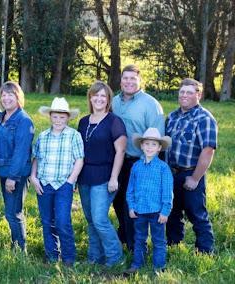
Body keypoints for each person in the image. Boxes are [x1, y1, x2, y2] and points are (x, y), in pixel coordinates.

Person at [112, 64, 165, 251]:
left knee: (134, 204)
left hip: (139, 162)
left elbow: (157, 136)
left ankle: (137, 247)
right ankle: (125, 236)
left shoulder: (151, 104)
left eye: (132, 78)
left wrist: (149, 165)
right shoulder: (114, 101)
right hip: (117, 161)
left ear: (140, 80)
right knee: (117, 201)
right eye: (125, 78)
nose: (128, 82)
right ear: (121, 80)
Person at [77, 81, 126, 266]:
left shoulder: (114, 121)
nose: (99, 99)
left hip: (105, 177)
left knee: (99, 219)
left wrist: (114, 178)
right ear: (90, 97)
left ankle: (115, 257)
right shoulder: (83, 122)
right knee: (90, 220)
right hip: (84, 177)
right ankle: (94, 257)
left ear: (108, 100)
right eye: (95, 95)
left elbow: (120, 151)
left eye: (103, 96)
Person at [30, 97, 84, 266]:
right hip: (44, 184)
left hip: (63, 185)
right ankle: (52, 255)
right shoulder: (43, 136)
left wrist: (70, 182)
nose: (58, 120)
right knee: (46, 221)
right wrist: (33, 177)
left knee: (62, 221)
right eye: (55, 116)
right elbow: (36, 159)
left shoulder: (74, 135)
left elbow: (79, 160)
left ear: (68, 118)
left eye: (62, 117)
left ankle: (68, 258)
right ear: (50, 116)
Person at [165, 78, 217, 254]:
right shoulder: (172, 117)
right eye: (182, 92)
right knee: (172, 213)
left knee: (197, 214)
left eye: (189, 92)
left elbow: (208, 151)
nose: (184, 95)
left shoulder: (204, 118)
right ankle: (173, 244)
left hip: (191, 174)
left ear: (198, 94)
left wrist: (195, 178)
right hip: (171, 173)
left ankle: (205, 251)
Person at [125, 128, 173, 274]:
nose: (149, 147)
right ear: (141, 145)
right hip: (139, 210)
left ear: (159, 148)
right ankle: (137, 264)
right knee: (139, 238)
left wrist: (165, 211)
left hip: (157, 211)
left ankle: (159, 266)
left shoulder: (163, 168)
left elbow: (167, 192)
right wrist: (131, 206)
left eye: (153, 145)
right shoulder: (136, 167)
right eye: (146, 144)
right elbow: (130, 188)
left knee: (158, 240)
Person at [0, 81, 34, 251]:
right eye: (3, 94)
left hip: (16, 174)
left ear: (18, 97)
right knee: (10, 211)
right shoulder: (2, 116)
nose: (6, 98)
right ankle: (15, 244)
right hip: (3, 170)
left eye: (10, 94)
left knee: (13, 212)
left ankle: (20, 249)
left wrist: (13, 177)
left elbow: (21, 152)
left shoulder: (23, 120)